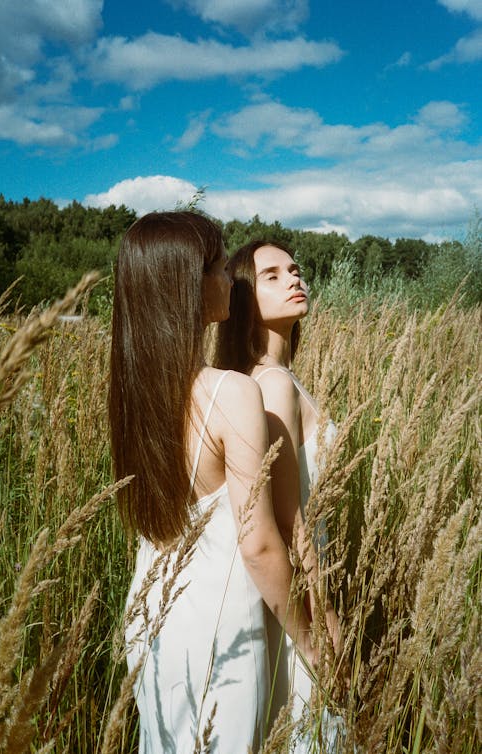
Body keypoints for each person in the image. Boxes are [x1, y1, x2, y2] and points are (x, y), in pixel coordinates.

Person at [109, 213, 318, 754]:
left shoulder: (135, 396)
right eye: (221, 268)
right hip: (221, 624)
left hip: (151, 611)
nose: (230, 280)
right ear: (187, 284)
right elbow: (260, 543)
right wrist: (314, 643)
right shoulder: (230, 392)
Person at [214, 240, 345, 752]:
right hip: (303, 596)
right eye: (271, 275)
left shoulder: (275, 377)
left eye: (294, 269)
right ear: (245, 298)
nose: (294, 278)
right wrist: (325, 620)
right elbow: (293, 522)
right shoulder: (273, 384)